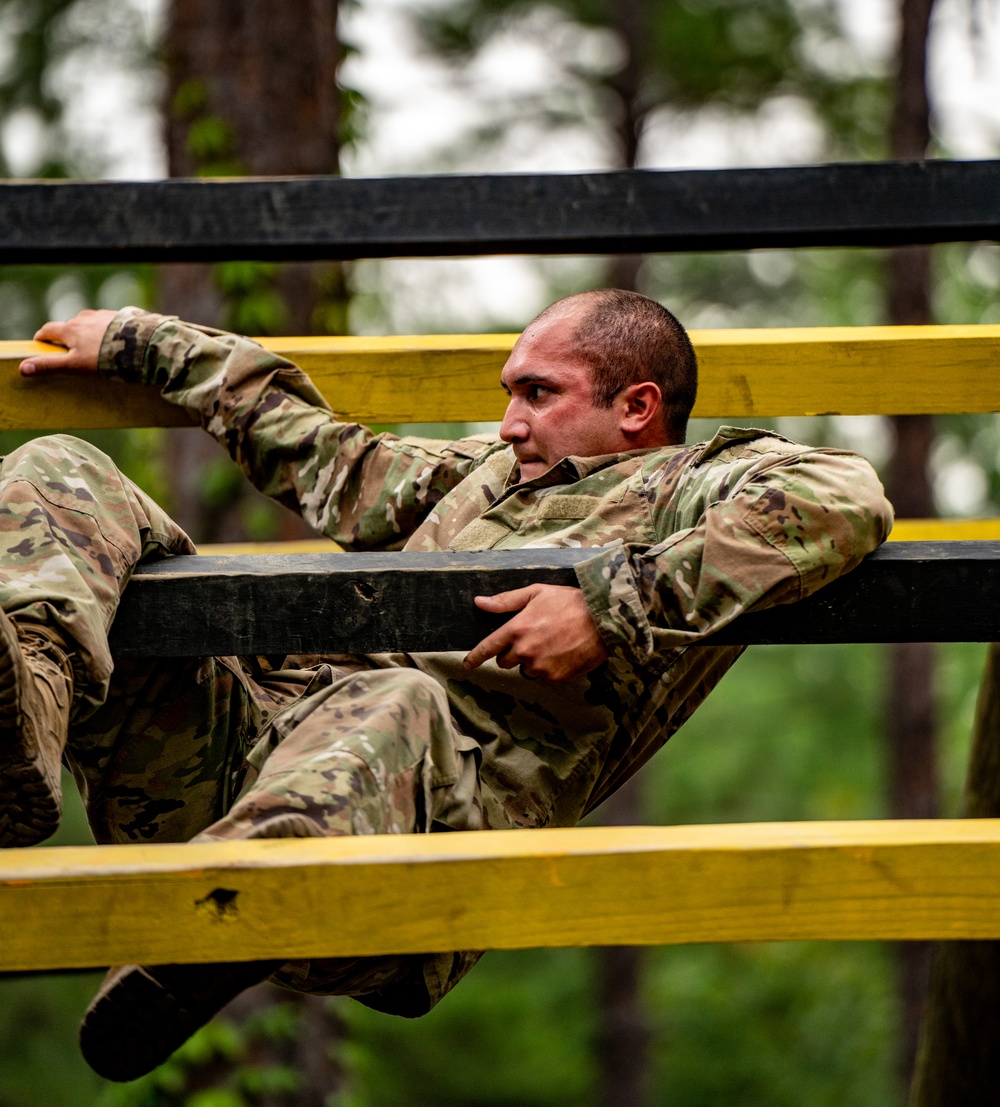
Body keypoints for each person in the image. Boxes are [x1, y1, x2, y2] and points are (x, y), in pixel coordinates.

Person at [0, 289, 891, 1081]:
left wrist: (607, 605)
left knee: (396, 698)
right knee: (60, 468)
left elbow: (843, 496)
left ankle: (208, 921)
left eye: (538, 393)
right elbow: (325, 452)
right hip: (239, 757)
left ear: (637, 406)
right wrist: (139, 339)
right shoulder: (484, 475)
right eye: (509, 391)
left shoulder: (689, 489)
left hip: (396, 863)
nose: (509, 419)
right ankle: (18, 732)